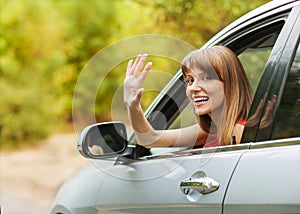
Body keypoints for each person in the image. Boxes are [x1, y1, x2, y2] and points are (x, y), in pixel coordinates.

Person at [123, 46, 254, 148]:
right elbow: (149, 139)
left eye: (206, 78)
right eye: (190, 80)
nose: (192, 88)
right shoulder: (211, 131)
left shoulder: (238, 133)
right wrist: (133, 106)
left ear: (231, 84)